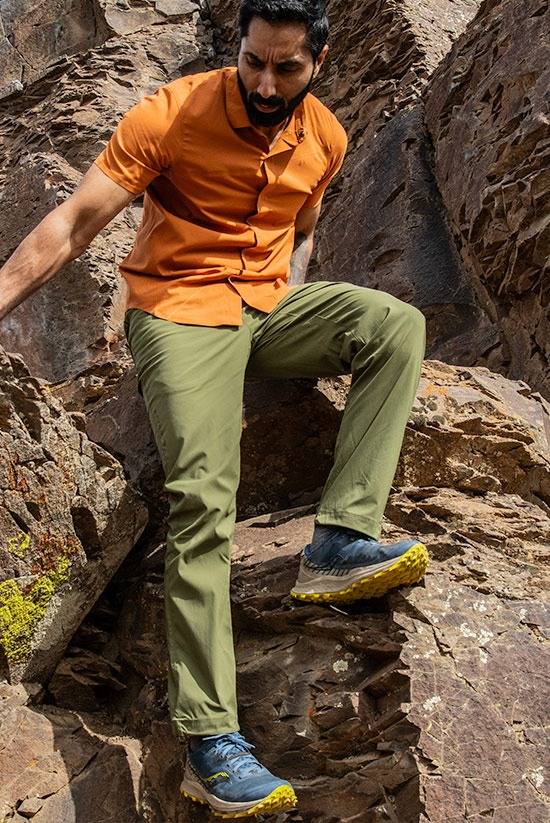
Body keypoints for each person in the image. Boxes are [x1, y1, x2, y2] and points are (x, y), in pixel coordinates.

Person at [0, 0, 429, 816]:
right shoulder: (170, 113)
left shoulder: (327, 138)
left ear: (319, 61)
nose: (266, 82)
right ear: (238, 46)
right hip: (177, 311)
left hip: (267, 310)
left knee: (394, 325)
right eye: (254, 62)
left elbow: (303, 225)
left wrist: (291, 307)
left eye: (287, 67)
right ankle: (210, 740)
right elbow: (73, 222)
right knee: (204, 496)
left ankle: (339, 540)